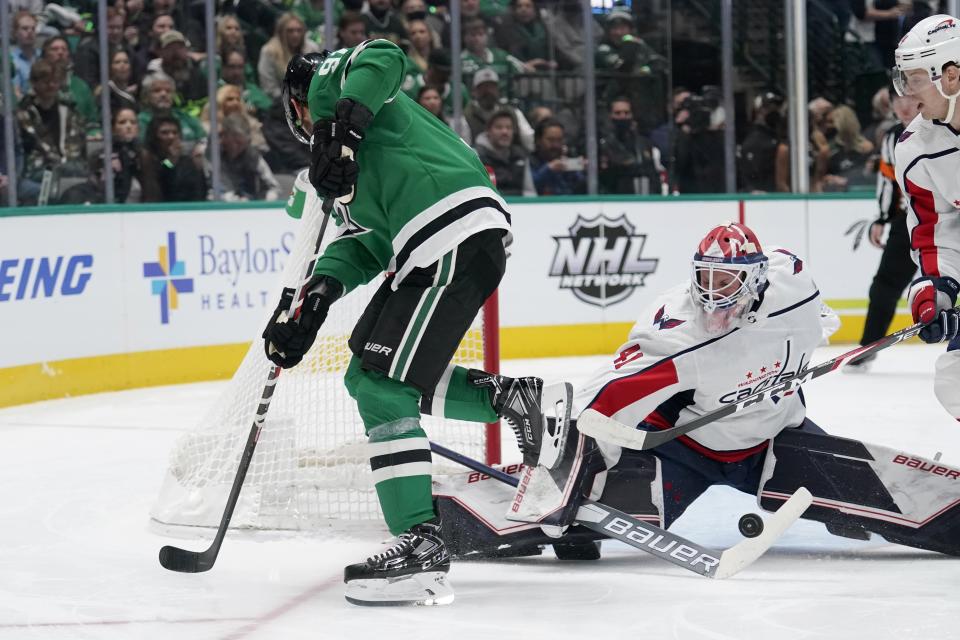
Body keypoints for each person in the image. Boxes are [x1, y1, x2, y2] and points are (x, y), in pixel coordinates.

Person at [469, 222, 960, 562]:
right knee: (580, 520)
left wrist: (929, 303)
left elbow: (822, 320)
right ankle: (456, 512)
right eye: (703, 277)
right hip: (683, 451)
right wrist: (570, 466)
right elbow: (607, 400)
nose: (711, 291)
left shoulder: (796, 287)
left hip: (775, 439)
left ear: (757, 277)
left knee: (890, 502)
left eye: (724, 279)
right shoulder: (678, 334)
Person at [263, 41, 543, 606]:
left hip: (448, 229)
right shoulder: (347, 178)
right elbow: (367, 245)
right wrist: (315, 299)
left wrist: (339, 128)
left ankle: (420, 543)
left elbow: (386, 55)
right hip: (427, 246)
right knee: (368, 376)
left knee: (384, 386)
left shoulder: (329, 85)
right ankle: (509, 400)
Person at [890, 13, 960, 420]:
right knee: (955, 378)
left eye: (915, 79)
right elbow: (938, 232)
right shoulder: (915, 148)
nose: (908, 95)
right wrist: (936, 287)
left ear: (950, 76)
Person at [846, 93, 920, 372]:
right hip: (910, 220)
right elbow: (889, 181)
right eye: (896, 99)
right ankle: (868, 346)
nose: (902, 106)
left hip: (952, 220)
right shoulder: (892, 137)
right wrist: (881, 217)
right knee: (884, 286)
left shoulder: (947, 127)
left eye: (910, 98)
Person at [16, 59, 86, 205]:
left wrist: (66, 162)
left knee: (83, 183)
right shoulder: (23, 115)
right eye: (45, 81)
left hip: (69, 169)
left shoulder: (69, 112)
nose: (51, 85)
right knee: (53, 190)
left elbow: (76, 145)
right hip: (37, 170)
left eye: (55, 81)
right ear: (34, 83)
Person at [599, 96, 665, 195]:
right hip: (614, 198)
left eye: (626, 113)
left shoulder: (643, 143)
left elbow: (652, 173)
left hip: (641, 196)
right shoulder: (604, 144)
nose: (622, 117)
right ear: (610, 115)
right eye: (618, 113)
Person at [140, 115, 208, 202]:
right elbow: (160, 175)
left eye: (175, 132)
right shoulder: (148, 158)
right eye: (164, 133)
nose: (171, 136)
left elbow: (198, 190)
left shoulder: (187, 161)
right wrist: (171, 160)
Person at [463, 68, 533, 149]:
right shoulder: (466, 116)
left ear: (498, 90)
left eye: (492, 87)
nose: (488, 91)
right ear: (474, 91)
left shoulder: (513, 112)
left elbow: (528, 140)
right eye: (484, 87)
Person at [258, 13, 322, 100]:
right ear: (281, 33)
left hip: (310, 98)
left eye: (299, 30)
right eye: (290, 31)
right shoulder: (269, 51)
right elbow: (269, 86)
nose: (295, 35)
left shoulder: (312, 48)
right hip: (280, 101)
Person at [217, 113, 280, 201]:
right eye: (234, 141)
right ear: (224, 137)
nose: (235, 147)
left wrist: (269, 196)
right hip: (219, 206)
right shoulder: (214, 155)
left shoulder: (253, 156)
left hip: (251, 204)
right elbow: (214, 189)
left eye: (240, 144)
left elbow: (273, 187)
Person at [474, 108, 535, 196]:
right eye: (499, 127)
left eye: (509, 128)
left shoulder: (521, 155)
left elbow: (529, 191)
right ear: (488, 130)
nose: (505, 132)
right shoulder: (476, 156)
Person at [138, 72, 207, 144]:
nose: (163, 94)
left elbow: (203, 140)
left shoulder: (185, 117)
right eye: (157, 90)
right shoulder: (140, 121)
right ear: (146, 97)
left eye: (168, 91)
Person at [738, 92, 784, 193]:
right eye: (768, 108)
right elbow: (749, 174)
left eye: (776, 107)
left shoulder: (780, 134)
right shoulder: (753, 139)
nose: (773, 111)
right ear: (758, 111)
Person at [529, 118, 585, 195]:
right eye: (551, 140)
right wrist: (548, 169)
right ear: (538, 140)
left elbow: (582, 188)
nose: (555, 145)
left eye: (559, 140)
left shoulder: (567, 159)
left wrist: (584, 170)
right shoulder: (529, 161)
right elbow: (529, 186)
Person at [10, 10, 40, 99]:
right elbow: (15, 93)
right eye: (25, 28)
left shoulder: (44, 55)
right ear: (15, 32)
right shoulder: (10, 59)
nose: (30, 32)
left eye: (33, 28)